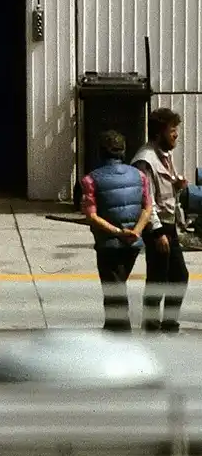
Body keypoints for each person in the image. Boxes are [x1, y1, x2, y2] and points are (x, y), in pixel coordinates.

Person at [80, 130, 153, 331]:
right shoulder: (139, 176)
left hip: (108, 244)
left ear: (101, 153)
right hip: (133, 245)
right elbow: (148, 207)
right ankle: (113, 329)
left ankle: (119, 334)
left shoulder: (90, 180)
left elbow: (92, 216)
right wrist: (136, 231)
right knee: (118, 286)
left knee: (114, 291)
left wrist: (118, 233)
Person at [131, 108, 190, 333]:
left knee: (178, 276)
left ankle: (168, 323)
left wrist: (176, 187)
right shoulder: (145, 160)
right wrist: (156, 232)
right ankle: (153, 326)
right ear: (158, 133)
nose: (176, 135)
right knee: (158, 277)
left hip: (168, 224)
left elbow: (161, 193)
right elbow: (146, 199)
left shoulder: (163, 155)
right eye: (172, 130)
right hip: (156, 226)